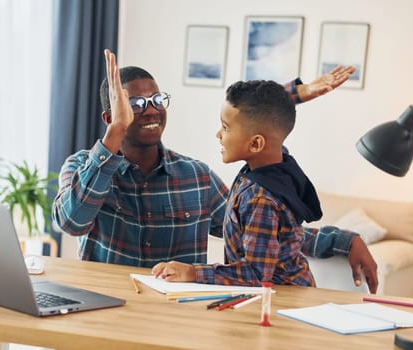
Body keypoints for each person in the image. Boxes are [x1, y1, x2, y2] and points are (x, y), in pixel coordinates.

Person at [52, 49, 378, 292]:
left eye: (157, 99)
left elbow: (264, 232)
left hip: (178, 316)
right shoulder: (83, 167)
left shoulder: (196, 177)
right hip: (109, 309)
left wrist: (343, 241)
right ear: (110, 117)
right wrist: (115, 135)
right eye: (135, 104)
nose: (151, 109)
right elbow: (71, 221)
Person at [152, 80, 324, 286]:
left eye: (225, 127)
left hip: (281, 302)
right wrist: (296, 95)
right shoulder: (278, 167)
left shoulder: (259, 199)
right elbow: (271, 112)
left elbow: (256, 275)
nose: (218, 134)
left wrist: (192, 272)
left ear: (255, 143)